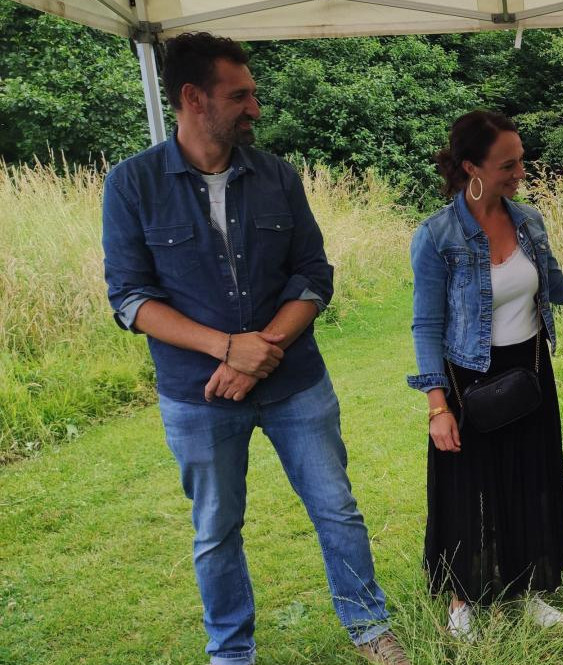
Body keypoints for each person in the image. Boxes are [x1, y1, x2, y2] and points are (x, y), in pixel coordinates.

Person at [101, 32, 408, 665]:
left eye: (254, 94)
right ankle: (231, 651)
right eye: (239, 95)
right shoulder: (131, 185)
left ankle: (370, 629)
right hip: (199, 394)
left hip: (295, 381)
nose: (255, 109)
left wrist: (260, 350)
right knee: (215, 531)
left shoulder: (277, 177)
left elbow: (313, 277)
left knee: (337, 509)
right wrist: (226, 348)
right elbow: (130, 298)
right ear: (192, 98)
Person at [407, 110, 563, 640]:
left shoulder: (529, 220)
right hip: (469, 381)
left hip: (529, 371)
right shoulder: (437, 236)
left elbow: (553, 289)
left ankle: (529, 588)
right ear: (472, 167)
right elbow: (426, 327)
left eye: (521, 160)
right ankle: (462, 599)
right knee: (470, 491)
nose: (520, 171)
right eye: (507, 163)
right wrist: (437, 407)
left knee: (531, 479)